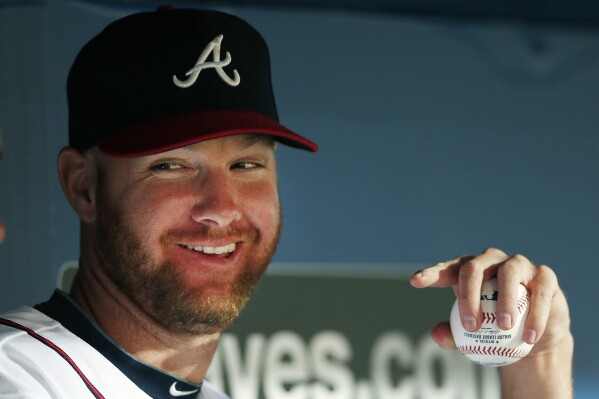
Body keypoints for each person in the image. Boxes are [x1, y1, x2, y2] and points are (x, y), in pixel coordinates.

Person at [0, 6, 573, 399]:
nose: (220, 207)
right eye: (170, 164)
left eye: (246, 165)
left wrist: (536, 373)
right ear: (83, 186)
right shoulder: (17, 376)